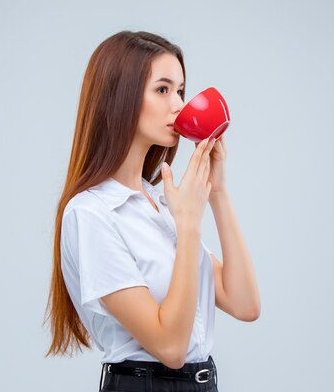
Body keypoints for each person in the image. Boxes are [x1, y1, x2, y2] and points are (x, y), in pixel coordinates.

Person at [43, 30, 261, 392]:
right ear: (120, 98)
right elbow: (171, 349)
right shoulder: (92, 213)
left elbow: (245, 304)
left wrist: (217, 193)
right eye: (162, 90)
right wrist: (189, 226)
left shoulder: (160, 203)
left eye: (179, 90)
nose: (178, 105)